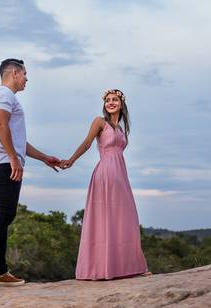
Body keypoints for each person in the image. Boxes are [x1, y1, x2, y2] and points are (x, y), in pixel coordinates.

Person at [0, 58, 60, 291]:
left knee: (3, 215)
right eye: (25, 74)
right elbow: (1, 125)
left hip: (2, 162)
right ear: (14, 73)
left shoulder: (9, 98)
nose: (27, 79)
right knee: (5, 215)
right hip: (2, 163)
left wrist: (44, 157)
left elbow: (18, 140)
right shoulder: (4, 95)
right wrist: (13, 159)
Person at [60, 89, 151, 280]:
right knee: (106, 218)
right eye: (108, 100)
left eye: (115, 100)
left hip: (121, 176)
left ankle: (127, 266)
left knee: (126, 217)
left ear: (121, 103)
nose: (111, 103)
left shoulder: (121, 128)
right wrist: (72, 159)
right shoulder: (99, 122)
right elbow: (87, 143)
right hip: (106, 173)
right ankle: (100, 268)